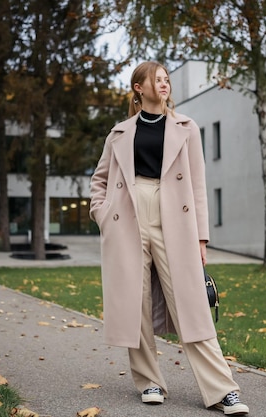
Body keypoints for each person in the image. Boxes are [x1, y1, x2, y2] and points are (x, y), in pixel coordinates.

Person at [89, 61, 249, 415]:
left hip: (173, 217)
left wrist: (201, 238)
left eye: (166, 79)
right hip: (128, 216)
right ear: (138, 88)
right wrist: (102, 213)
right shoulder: (119, 132)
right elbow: (99, 180)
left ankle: (223, 390)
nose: (164, 85)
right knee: (137, 302)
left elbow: (198, 185)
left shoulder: (186, 128)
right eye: (156, 80)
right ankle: (149, 382)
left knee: (191, 304)